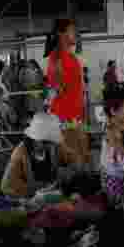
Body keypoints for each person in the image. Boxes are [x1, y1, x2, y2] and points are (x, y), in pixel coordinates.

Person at [1, 112, 83, 198]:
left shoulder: (55, 147)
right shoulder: (20, 153)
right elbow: (6, 186)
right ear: (33, 138)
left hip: (54, 195)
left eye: (50, 142)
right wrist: (35, 191)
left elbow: (76, 161)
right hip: (30, 199)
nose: (48, 146)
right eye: (44, 142)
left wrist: (68, 172)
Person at [45, 18, 88, 164]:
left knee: (80, 160)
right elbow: (56, 92)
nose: (75, 33)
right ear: (61, 34)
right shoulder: (57, 59)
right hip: (66, 119)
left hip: (74, 117)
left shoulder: (70, 58)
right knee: (73, 163)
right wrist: (68, 123)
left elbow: (74, 90)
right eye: (71, 31)